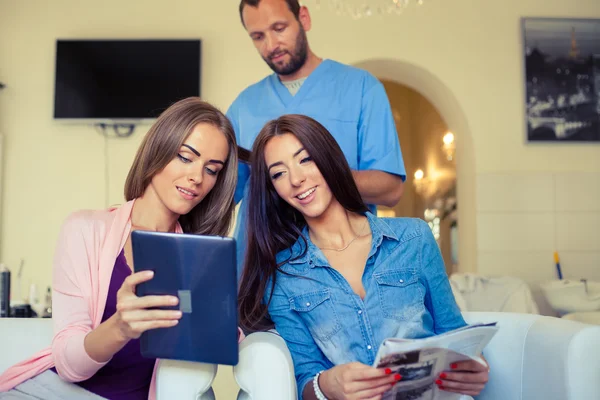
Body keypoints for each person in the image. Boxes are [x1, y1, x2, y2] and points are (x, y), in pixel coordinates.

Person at [0, 97, 244, 400]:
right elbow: (68, 366)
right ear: (159, 149)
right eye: (185, 157)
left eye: (212, 169)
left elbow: (213, 344)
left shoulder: (201, 260)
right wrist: (120, 327)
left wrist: (221, 324)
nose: (197, 177)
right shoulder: (85, 229)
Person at [238, 114, 489, 400]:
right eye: (279, 173)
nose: (296, 179)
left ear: (328, 158)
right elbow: (305, 378)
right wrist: (327, 385)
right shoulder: (283, 274)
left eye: (305, 159)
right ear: (273, 189)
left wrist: (475, 367)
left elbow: (453, 333)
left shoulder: (414, 238)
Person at [228, 0, 406, 274]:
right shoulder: (244, 105)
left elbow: (390, 188)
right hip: (258, 273)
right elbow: (220, 194)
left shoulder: (360, 88)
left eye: (279, 28)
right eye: (258, 36)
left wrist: (318, 174)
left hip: (340, 270)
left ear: (304, 18)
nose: (271, 45)